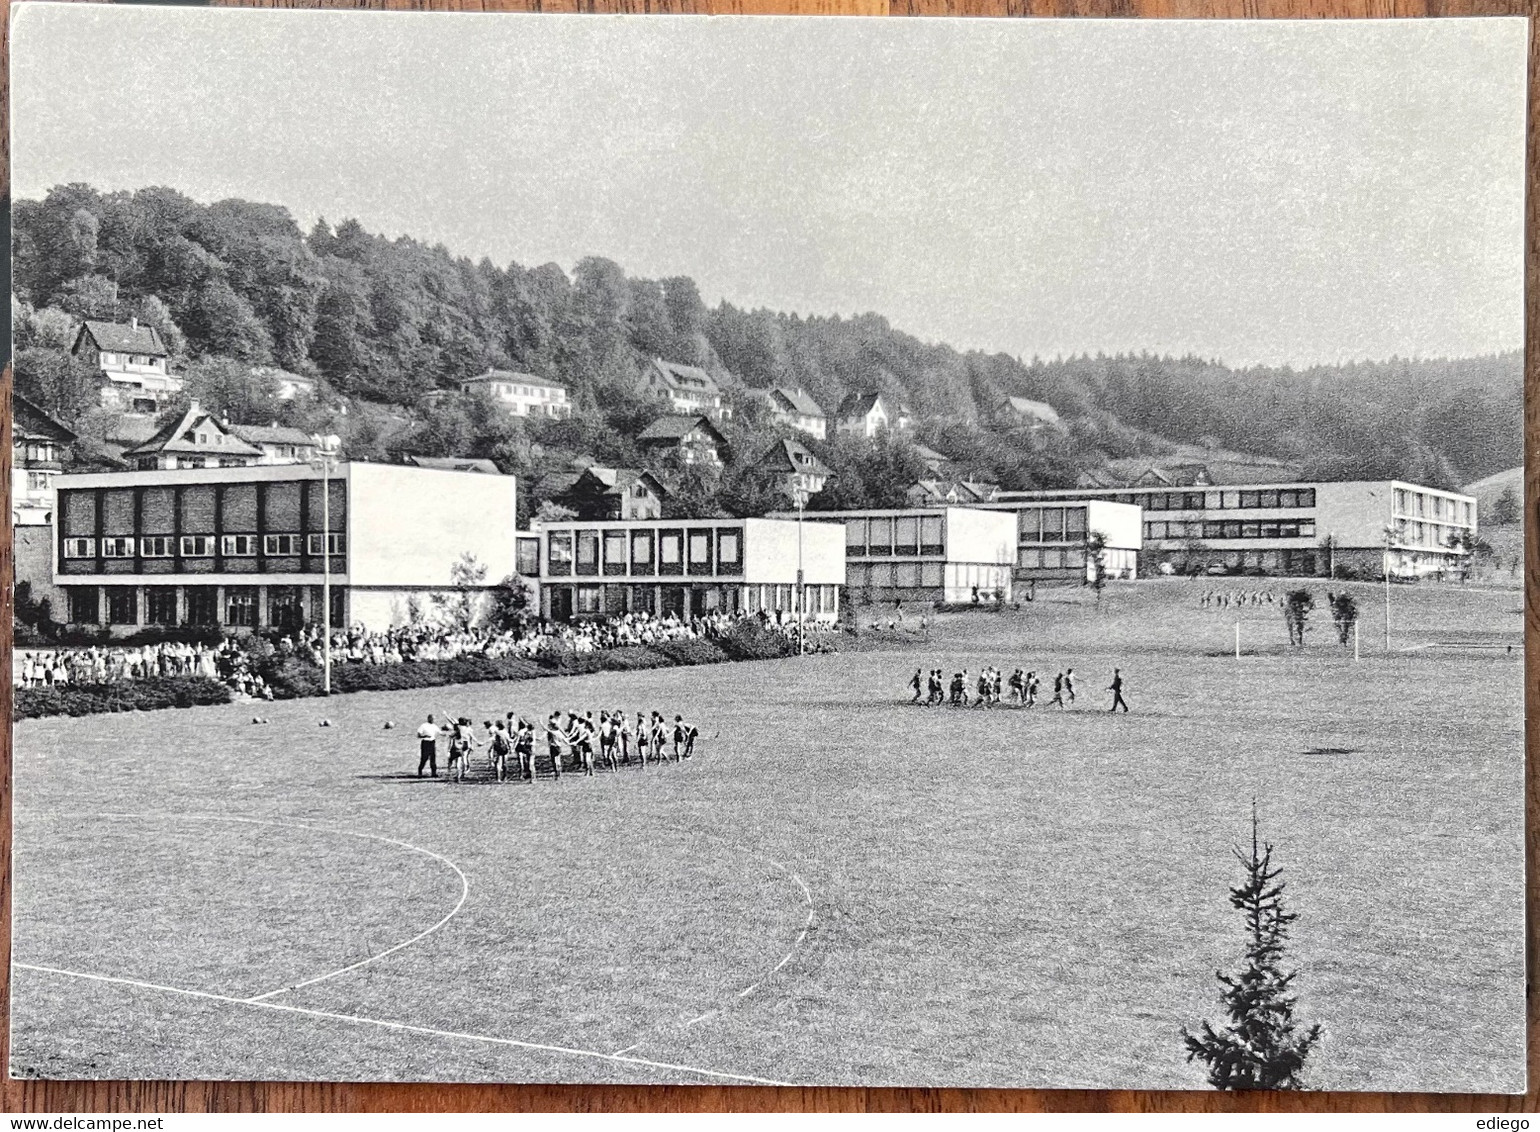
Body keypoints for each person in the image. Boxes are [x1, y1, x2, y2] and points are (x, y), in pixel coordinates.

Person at [545, 711, 566, 781]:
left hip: (553, 746)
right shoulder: (558, 731)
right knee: (558, 760)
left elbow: (547, 730)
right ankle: (559, 774)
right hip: (558, 746)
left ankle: (557, 774)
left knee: (554, 760)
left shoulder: (552, 731)